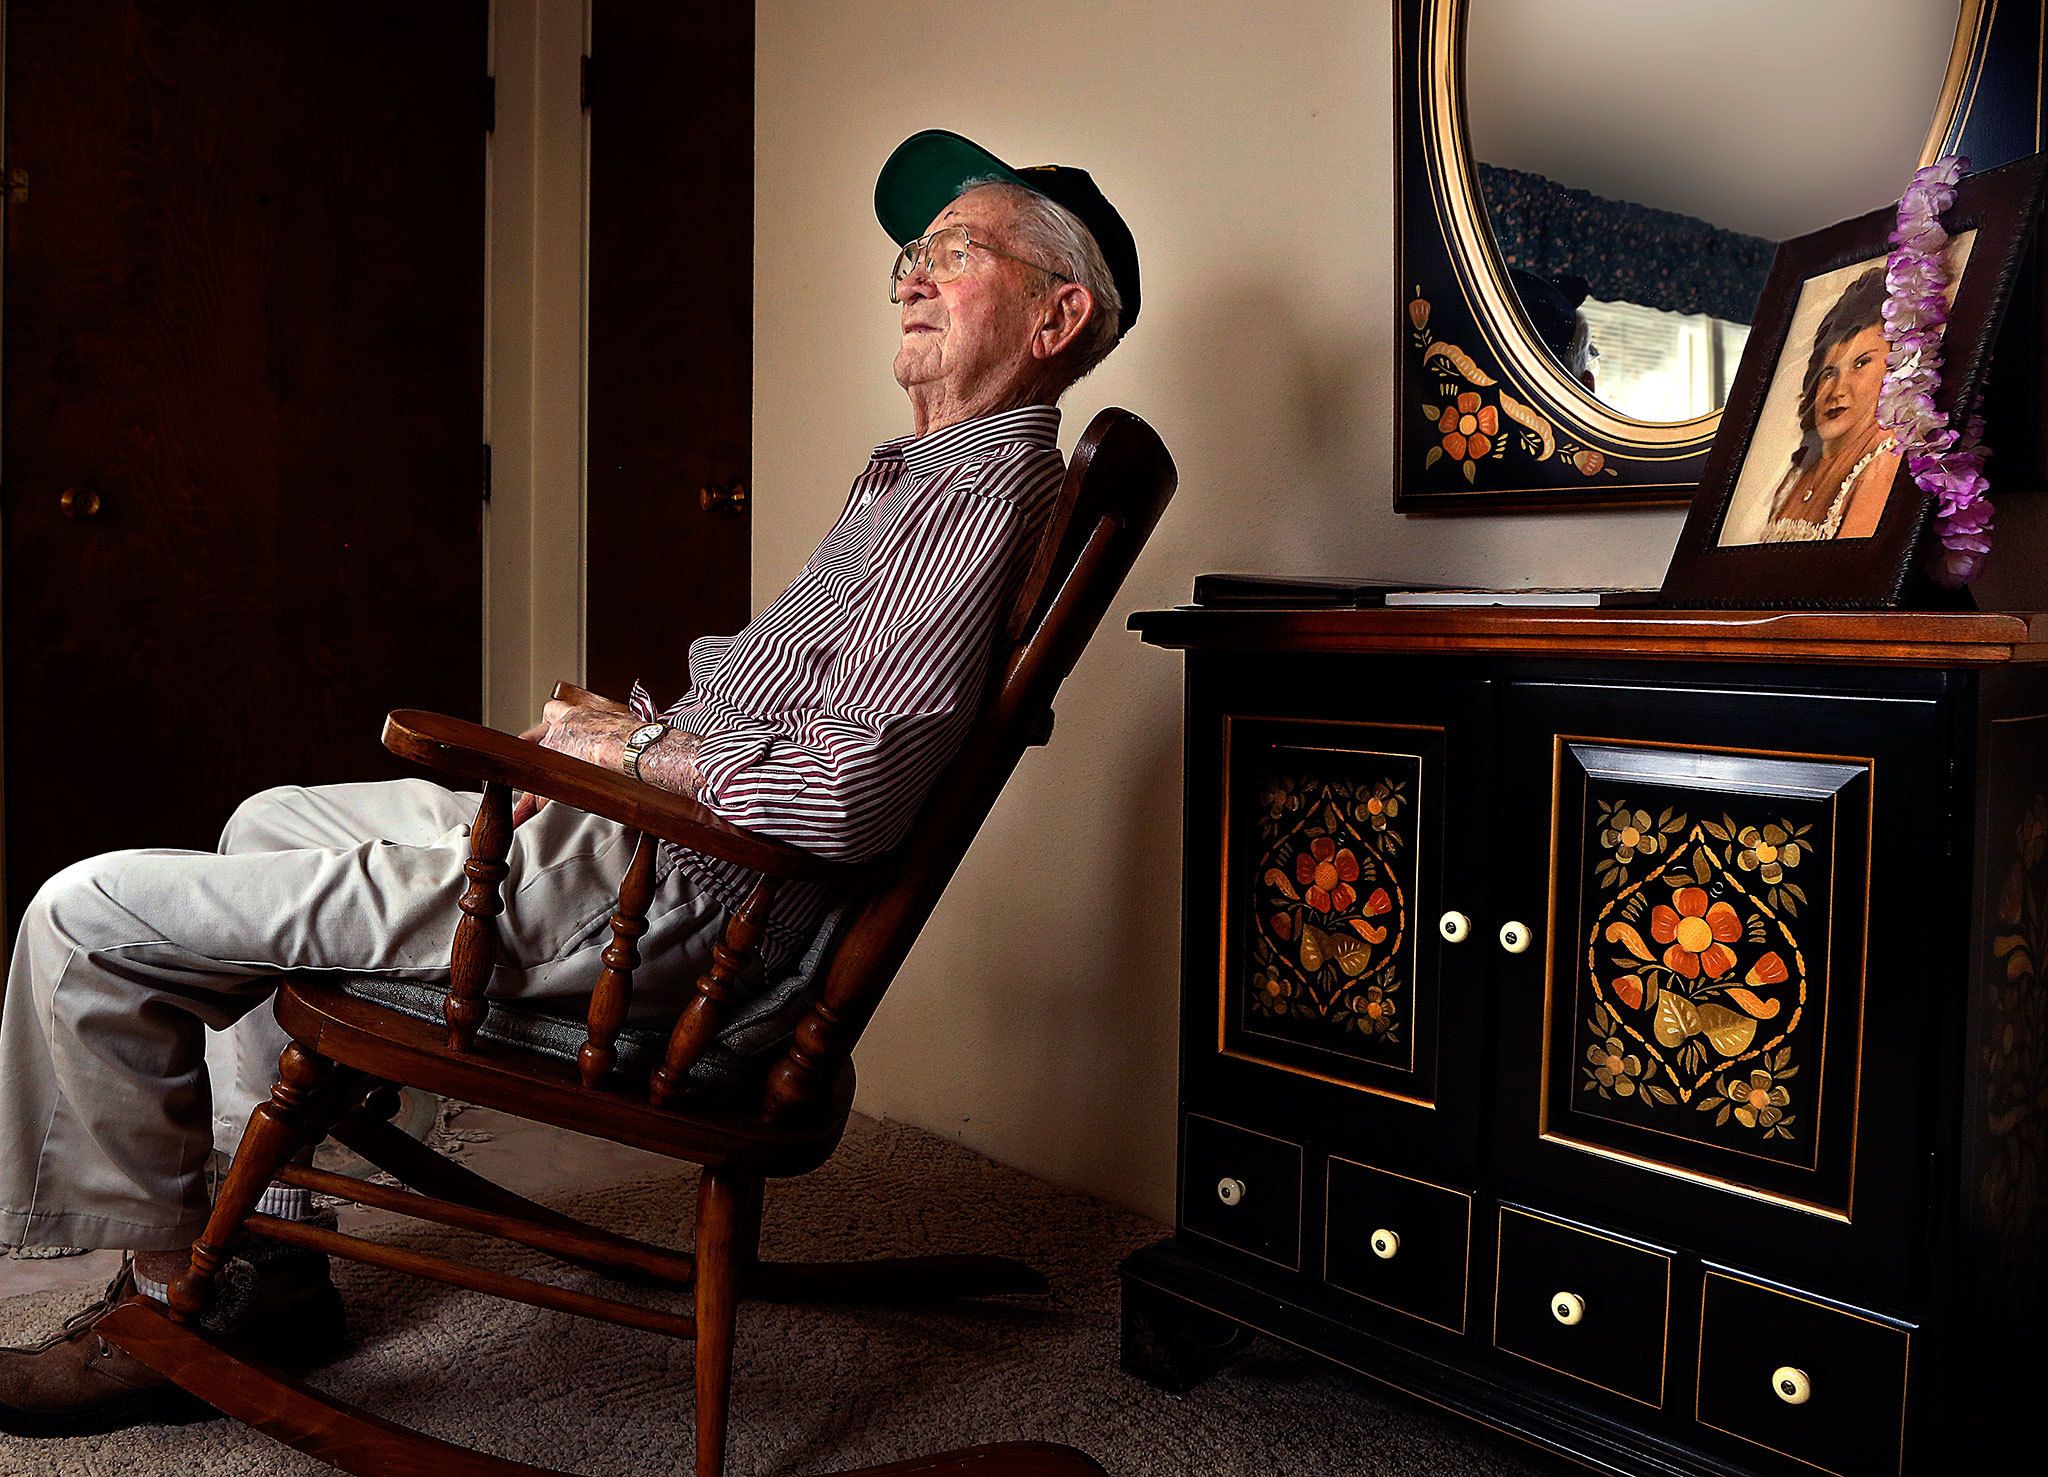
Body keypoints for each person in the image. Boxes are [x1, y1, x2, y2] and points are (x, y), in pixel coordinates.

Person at [0, 127, 1140, 1438]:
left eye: (955, 250)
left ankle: (168, 1296)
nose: (910, 276)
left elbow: (844, 797)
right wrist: (617, 733)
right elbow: (802, 723)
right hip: (645, 858)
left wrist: (632, 760)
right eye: (908, 252)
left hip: (656, 914)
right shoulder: (918, 477)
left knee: (86, 914)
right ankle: (285, 1253)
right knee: (268, 823)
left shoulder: (978, 494)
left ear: (1058, 315)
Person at [1757, 266, 1899, 543]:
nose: (1836, 390)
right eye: (1829, 372)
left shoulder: (1884, 465)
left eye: (1861, 363)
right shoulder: (1796, 473)